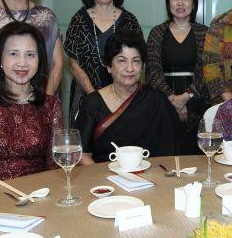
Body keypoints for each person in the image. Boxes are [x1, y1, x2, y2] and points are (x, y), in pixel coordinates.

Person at [0, 22, 62, 189]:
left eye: (30, 55)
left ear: (40, 60)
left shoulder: (50, 106)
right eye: (13, 54)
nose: (22, 63)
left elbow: (55, 167)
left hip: (40, 196)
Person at [75, 30, 178, 164]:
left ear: (142, 67)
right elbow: (82, 154)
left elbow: (171, 149)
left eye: (136, 61)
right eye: (122, 61)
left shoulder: (156, 101)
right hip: (104, 177)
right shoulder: (92, 103)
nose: (129, 68)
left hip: (150, 176)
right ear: (109, 66)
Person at [64, 0, 143, 125]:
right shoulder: (78, 20)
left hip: (125, 97)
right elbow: (73, 64)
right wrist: (95, 97)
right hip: (86, 96)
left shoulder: (130, 21)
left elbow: (139, 60)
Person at [146, 0, 210, 154]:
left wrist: (186, 98)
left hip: (197, 105)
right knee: (165, 156)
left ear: (194, 2)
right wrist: (172, 99)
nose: (180, 3)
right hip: (163, 104)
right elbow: (152, 71)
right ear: (168, 2)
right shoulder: (157, 32)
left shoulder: (205, 33)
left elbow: (207, 72)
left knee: (195, 159)